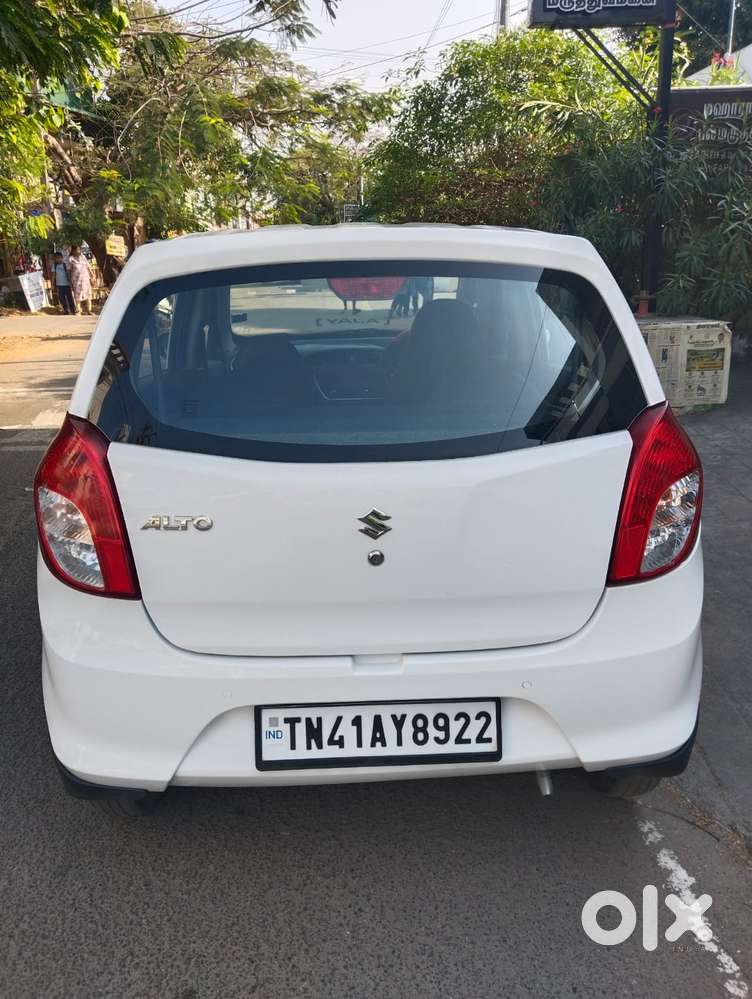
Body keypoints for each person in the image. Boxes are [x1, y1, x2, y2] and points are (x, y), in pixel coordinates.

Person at [68, 245, 95, 315]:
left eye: (79, 250)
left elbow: (88, 266)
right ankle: (78, 310)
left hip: (85, 279)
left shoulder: (83, 257)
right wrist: (70, 280)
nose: (79, 251)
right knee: (77, 296)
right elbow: (69, 270)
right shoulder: (71, 259)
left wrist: (92, 275)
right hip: (76, 281)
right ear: (73, 251)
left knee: (88, 294)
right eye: (77, 250)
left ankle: (89, 310)